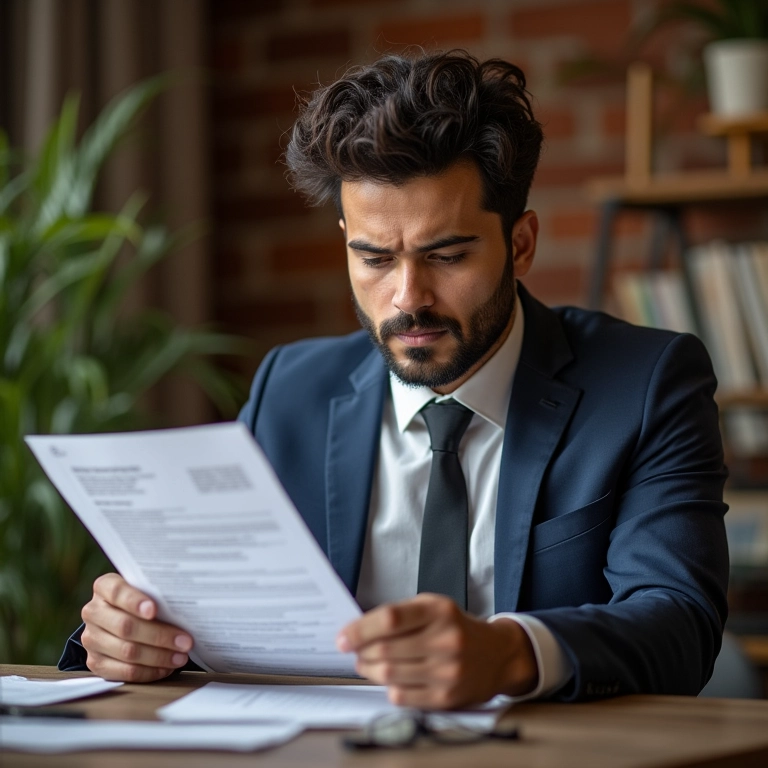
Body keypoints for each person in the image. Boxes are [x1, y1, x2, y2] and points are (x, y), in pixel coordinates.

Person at [59, 50, 729, 707]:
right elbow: (220, 615)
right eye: (375, 257)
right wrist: (132, 637)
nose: (408, 297)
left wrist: (510, 652)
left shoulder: (646, 384)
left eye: (447, 255)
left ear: (520, 244)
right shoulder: (291, 388)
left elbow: (678, 619)